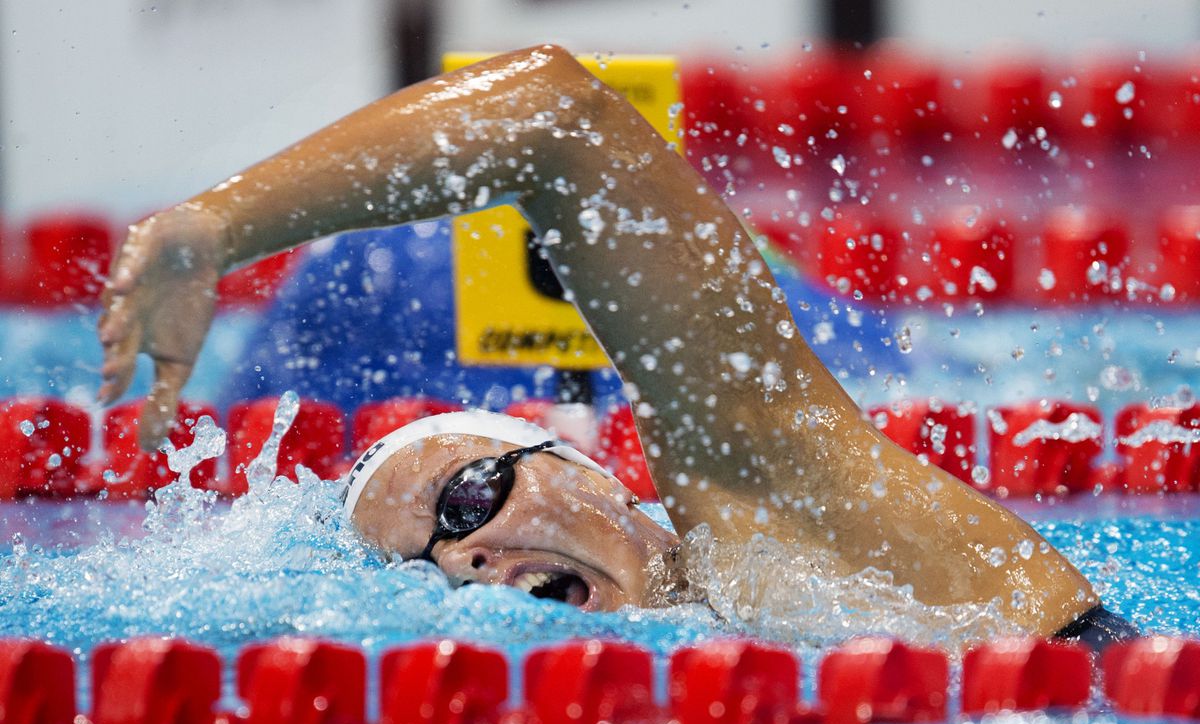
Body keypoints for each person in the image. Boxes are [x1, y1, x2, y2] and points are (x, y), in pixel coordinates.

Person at [98, 44, 1133, 646]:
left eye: (466, 498)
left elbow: (557, 117)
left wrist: (217, 228)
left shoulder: (773, 511)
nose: (467, 555)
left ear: (590, 471)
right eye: (429, 567)